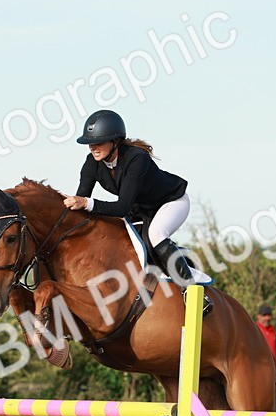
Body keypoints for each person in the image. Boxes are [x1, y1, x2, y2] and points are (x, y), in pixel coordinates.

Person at [63, 110, 208, 298]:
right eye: (90, 143)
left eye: (98, 142)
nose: (92, 147)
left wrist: (86, 202)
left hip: (171, 202)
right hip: (141, 209)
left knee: (155, 235)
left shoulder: (136, 158)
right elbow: (82, 199)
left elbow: (121, 207)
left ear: (115, 141)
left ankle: (192, 290)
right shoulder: (92, 163)